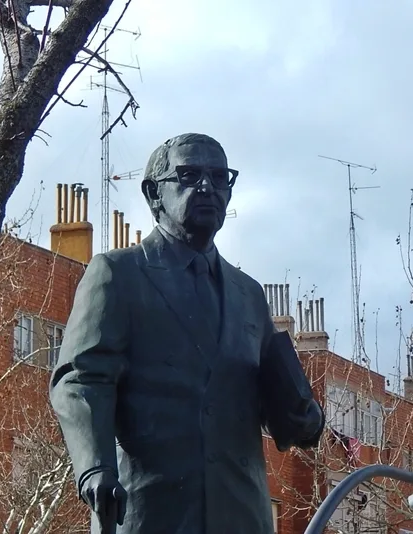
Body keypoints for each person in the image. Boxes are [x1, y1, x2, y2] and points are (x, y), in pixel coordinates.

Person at [50, 133, 324, 534]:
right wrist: (95, 467)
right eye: (189, 174)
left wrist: (306, 418)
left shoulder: (248, 294)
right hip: (150, 512)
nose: (207, 187)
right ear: (153, 193)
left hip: (242, 515)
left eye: (219, 176)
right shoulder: (118, 275)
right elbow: (81, 379)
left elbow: (279, 404)